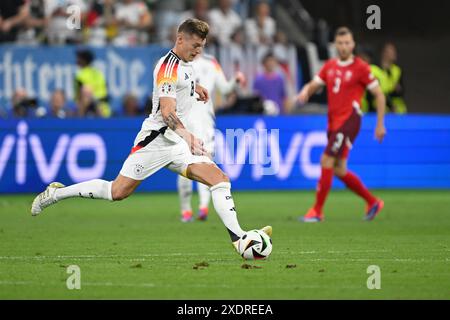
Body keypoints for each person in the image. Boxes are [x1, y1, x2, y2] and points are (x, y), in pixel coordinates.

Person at [31, 18, 271, 253]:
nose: (198, 51)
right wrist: (189, 137)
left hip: (176, 143)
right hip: (155, 141)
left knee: (219, 179)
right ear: (180, 39)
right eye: (195, 45)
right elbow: (167, 112)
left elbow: (181, 82)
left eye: (202, 47)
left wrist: (194, 88)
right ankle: (57, 193)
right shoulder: (167, 67)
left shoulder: (186, 63)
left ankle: (239, 238)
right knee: (117, 192)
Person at [296, 27, 386, 222]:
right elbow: (315, 83)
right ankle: (373, 202)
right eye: (340, 43)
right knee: (339, 169)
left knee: (326, 160)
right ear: (335, 45)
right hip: (334, 123)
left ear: (352, 45)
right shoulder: (330, 66)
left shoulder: (361, 67)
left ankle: (317, 211)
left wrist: (380, 124)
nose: (344, 47)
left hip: (350, 120)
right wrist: (305, 92)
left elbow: (379, 95)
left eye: (347, 43)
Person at [177, 51, 246, 222]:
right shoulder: (178, 62)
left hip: (205, 122)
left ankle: (203, 207)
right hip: (182, 122)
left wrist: (235, 81)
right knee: (182, 164)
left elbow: (224, 89)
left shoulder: (211, 63)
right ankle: (186, 210)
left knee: (205, 162)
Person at [74, 49, 111, 118]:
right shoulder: (99, 74)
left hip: (89, 111)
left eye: (79, 58)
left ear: (84, 60)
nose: (77, 60)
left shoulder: (80, 75)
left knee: (86, 94)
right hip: (105, 111)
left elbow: (79, 97)